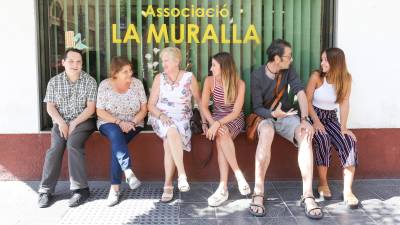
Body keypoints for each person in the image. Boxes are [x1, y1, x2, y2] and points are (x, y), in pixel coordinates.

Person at [249, 39, 323, 219]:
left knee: (305, 135)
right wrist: (273, 114)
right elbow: (257, 107)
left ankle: (307, 195)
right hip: (266, 116)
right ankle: (258, 192)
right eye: (288, 57)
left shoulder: (289, 70)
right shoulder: (257, 75)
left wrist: (304, 120)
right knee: (267, 132)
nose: (291, 60)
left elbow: (300, 93)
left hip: (286, 116)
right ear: (276, 59)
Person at [38, 48, 97, 208]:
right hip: (61, 122)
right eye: (71, 61)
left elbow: (90, 109)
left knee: (73, 144)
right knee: (55, 148)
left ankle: (81, 190)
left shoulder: (89, 81)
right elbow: (50, 107)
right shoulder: (54, 82)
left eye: (78, 61)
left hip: (84, 121)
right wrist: (62, 122)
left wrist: (74, 123)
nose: (75, 64)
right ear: (63, 62)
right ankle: (45, 190)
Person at [147, 47, 203, 203]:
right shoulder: (159, 78)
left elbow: (199, 102)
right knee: (171, 130)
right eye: (162, 60)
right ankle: (182, 174)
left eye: (166, 60)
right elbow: (151, 105)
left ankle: (168, 184)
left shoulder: (189, 77)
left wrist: (205, 121)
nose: (162, 63)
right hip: (162, 118)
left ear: (177, 61)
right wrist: (161, 115)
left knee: (168, 143)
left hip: (183, 118)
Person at [305, 47, 358, 208]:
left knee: (348, 141)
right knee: (323, 139)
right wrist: (315, 122)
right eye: (322, 59)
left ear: (335, 62)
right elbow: (306, 101)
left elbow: (344, 103)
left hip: (331, 118)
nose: (322, 63)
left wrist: (343, 127)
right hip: (313, 115)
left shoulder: (346, 79)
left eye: (325, 60)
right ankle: (322, 183)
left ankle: (347, 190)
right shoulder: (317, 77)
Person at [96, 56, 148, 206]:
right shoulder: (105, 85)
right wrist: (119, 122)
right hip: (109, 122)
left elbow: (144, 109)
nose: (130, 74)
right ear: (115, 73)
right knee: (115, 133)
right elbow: (99, 110)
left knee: (116, 144)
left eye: (130, 70)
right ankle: (128, 172)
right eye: (125, 71)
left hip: (133, 123)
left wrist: (131, 122)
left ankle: (115, 189)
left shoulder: (137, 84)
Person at [200, 52, 250, 207]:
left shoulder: (239, 84)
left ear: (224, 67)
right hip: (216, 118)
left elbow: (235, 112)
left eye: (214, 65)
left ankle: (223, 188)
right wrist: (212, 123)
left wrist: (217, 124)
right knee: (222, 135)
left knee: (222, 134)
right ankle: (237, 175)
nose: (211, 68)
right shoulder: (209, 81)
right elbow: (203, 106)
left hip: (233, 119)